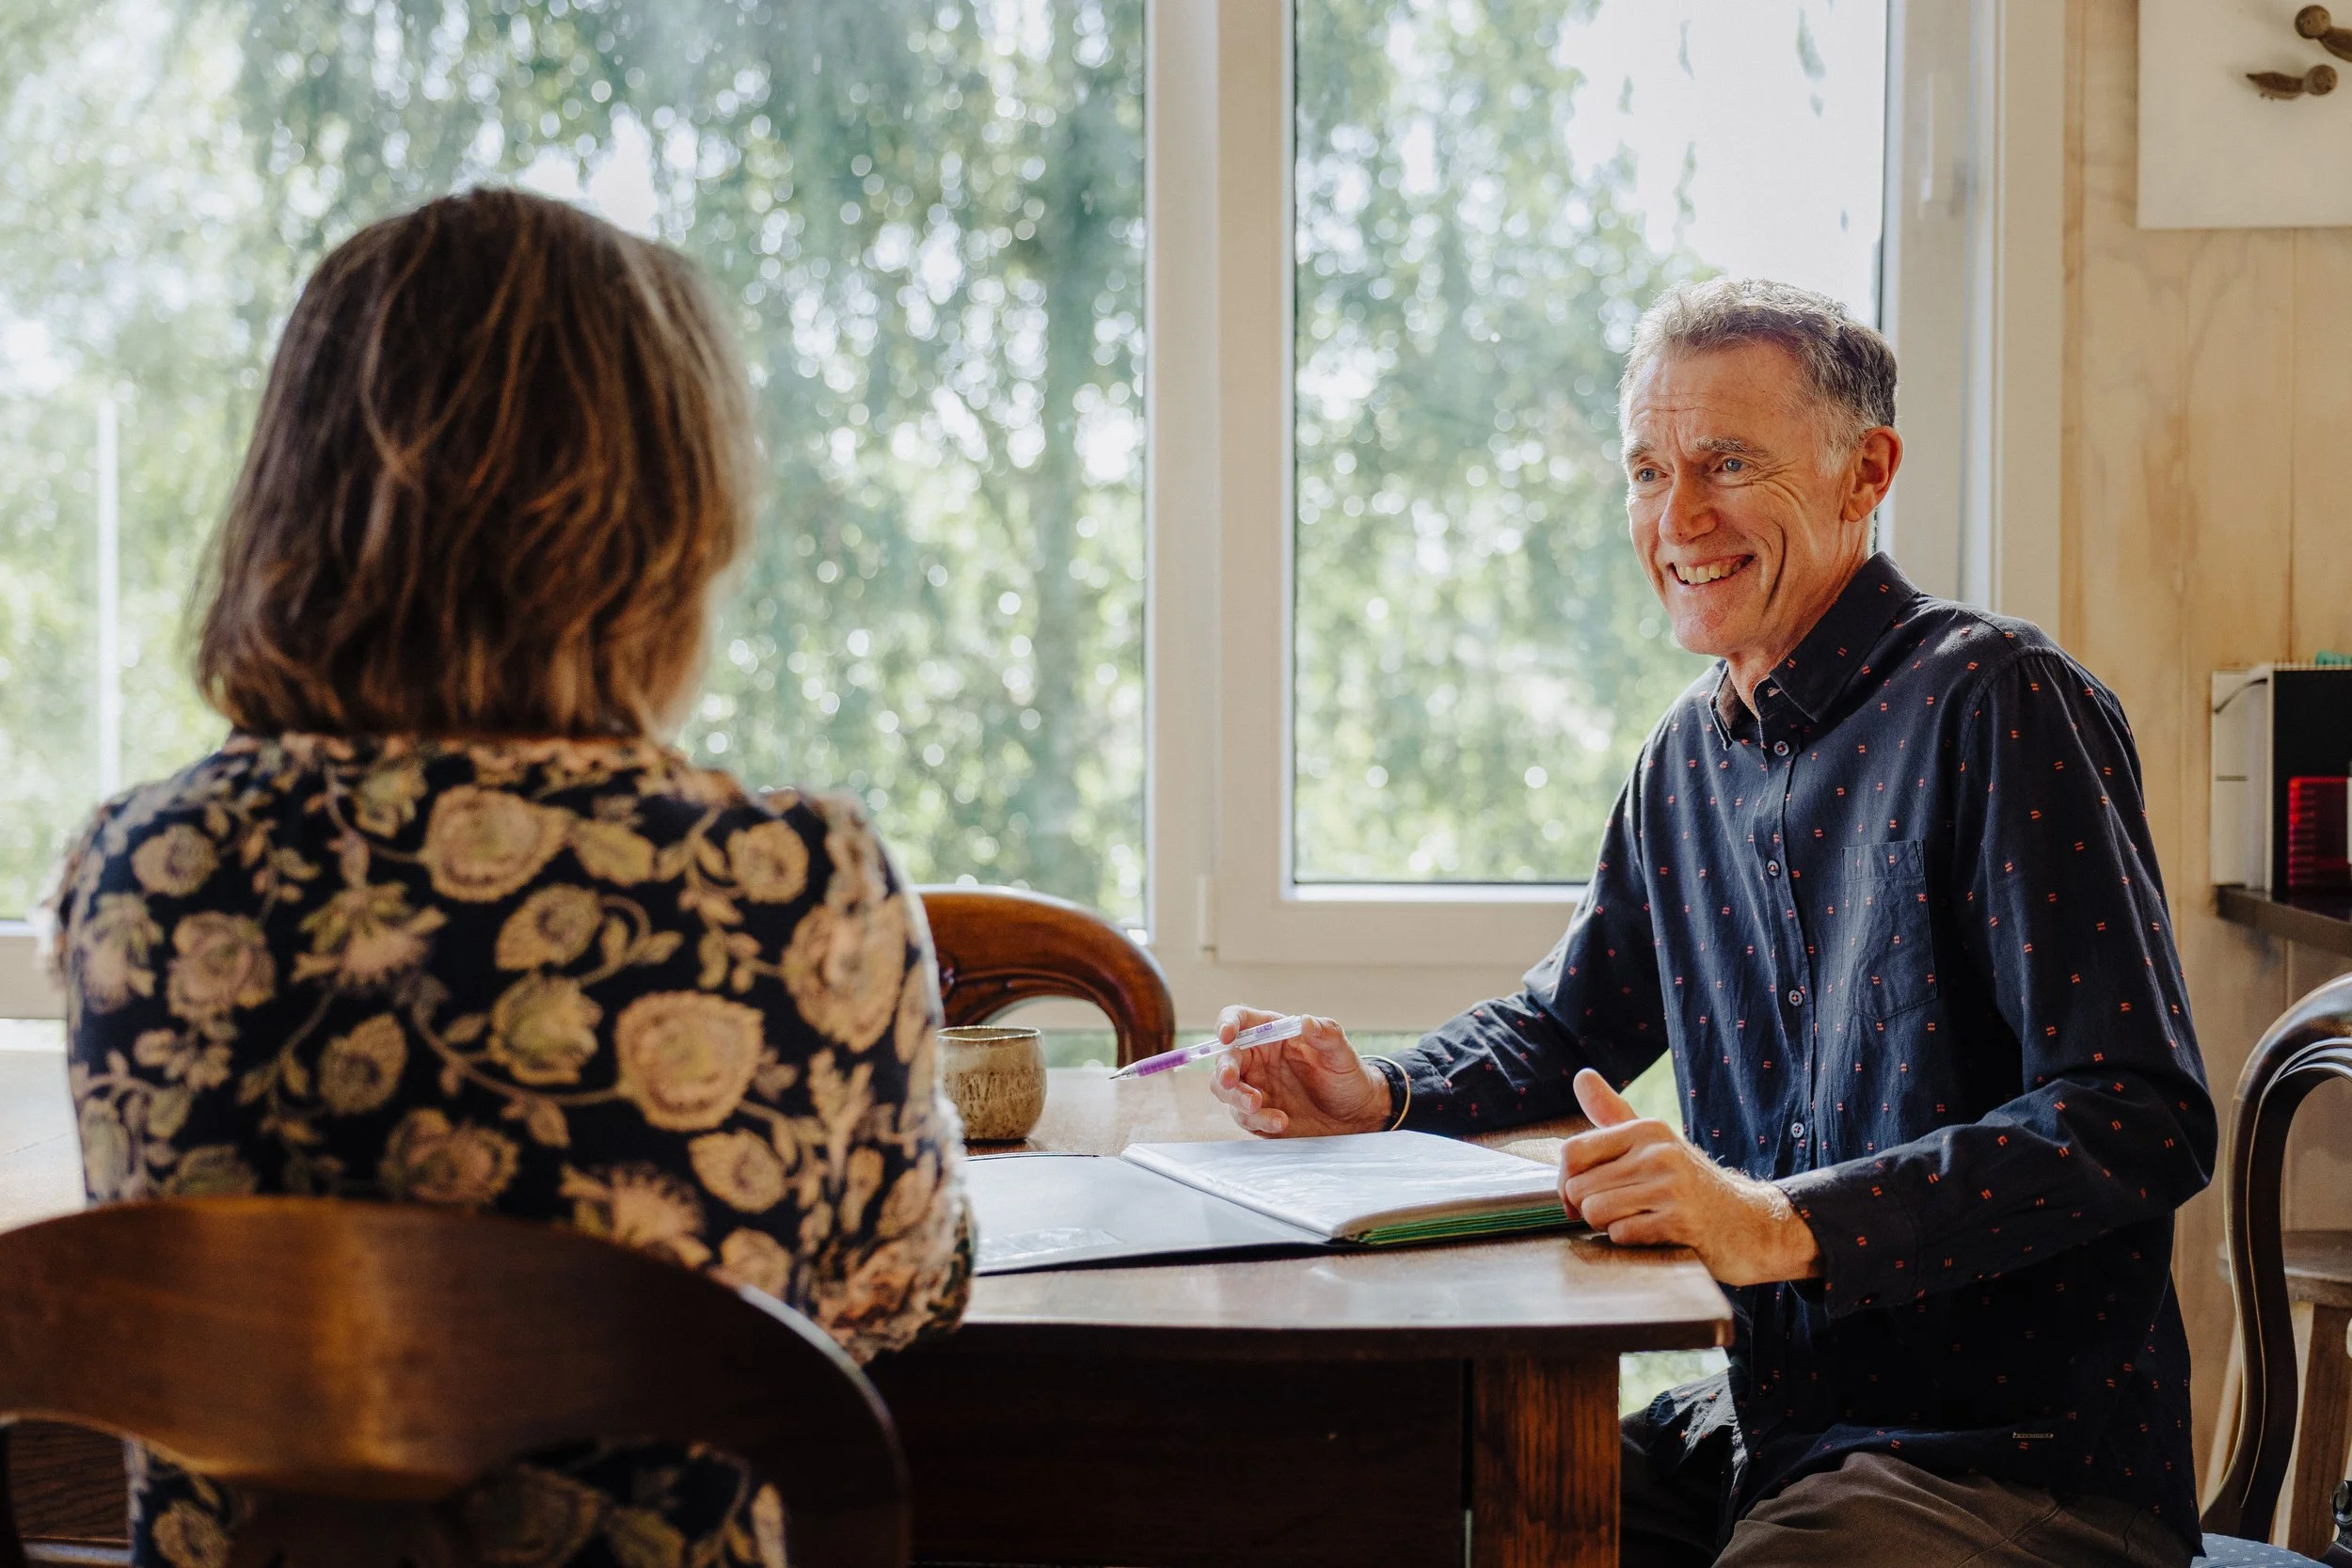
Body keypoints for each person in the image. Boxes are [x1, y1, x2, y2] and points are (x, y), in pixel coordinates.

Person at [1209, 277, 2215, 1568]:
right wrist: (1381, 1087)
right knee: (1413, 1510)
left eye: (1727, 463)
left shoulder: (2001, 699)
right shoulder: (1682, 756)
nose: (1677, 518)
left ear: (1867, 473)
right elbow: (1565, 1020)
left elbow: (2139, 1114)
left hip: (2017, 1468)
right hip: (1772, 1417)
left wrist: (1785, 1220)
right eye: (1646, 470)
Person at [38, 188, 971, 1568]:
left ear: (295, 495)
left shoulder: (143, 869)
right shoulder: (794, 880)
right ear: (668, 521)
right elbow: (905, 1290)